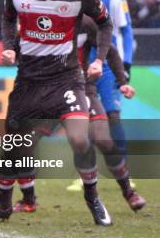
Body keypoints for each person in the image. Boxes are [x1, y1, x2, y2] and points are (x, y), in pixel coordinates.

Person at [0, 0, 115, 226]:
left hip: (66, 79)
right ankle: (2, 205)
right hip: (28, 80)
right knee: (13, 146)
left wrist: (100, 60)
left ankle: (93, 199)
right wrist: (10, 48)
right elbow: (8, 18)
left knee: (79, 139)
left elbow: (105, 24)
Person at [11, 16, 145, 214]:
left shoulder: (85, 23)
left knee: (103, 139)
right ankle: (28, 200)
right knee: (24, 143)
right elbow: (18, 54)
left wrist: (121, 80)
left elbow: (110, 50)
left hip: (81, 89)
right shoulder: (37, 22)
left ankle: (128, 192)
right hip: (47, 92)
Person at [71, 0, 134, 192]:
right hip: (78, 69)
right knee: (83, 123)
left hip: (106, 65)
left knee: (113, 116)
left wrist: (126, 65)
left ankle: (123, 169)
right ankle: (88, 172)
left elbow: (126, 31)